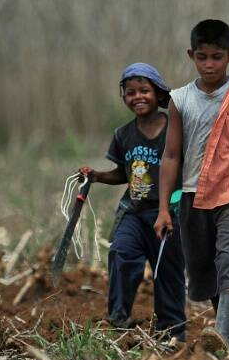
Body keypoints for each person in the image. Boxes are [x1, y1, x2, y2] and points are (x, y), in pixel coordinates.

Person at [155, 19, 229, 359]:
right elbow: (172, 155)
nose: (209, 65)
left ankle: (221, 330)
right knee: (204, 270)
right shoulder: (180, 100)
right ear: (191, 55)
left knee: (228, 261)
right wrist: (164, 207)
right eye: (203, 57)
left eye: (217, 57)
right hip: (193, 197)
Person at [79, 63, 186, 342]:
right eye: (130, 92)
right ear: (123, 97)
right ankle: (119, 317)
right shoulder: (123, 135)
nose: (137, 97)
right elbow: (123, 174)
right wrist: (97, 176)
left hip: (170, 211)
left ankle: (172, 332)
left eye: (144, 91)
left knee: (168, 272)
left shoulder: (175, 129)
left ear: (158, 93)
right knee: (122, 255)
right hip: (134, 211)